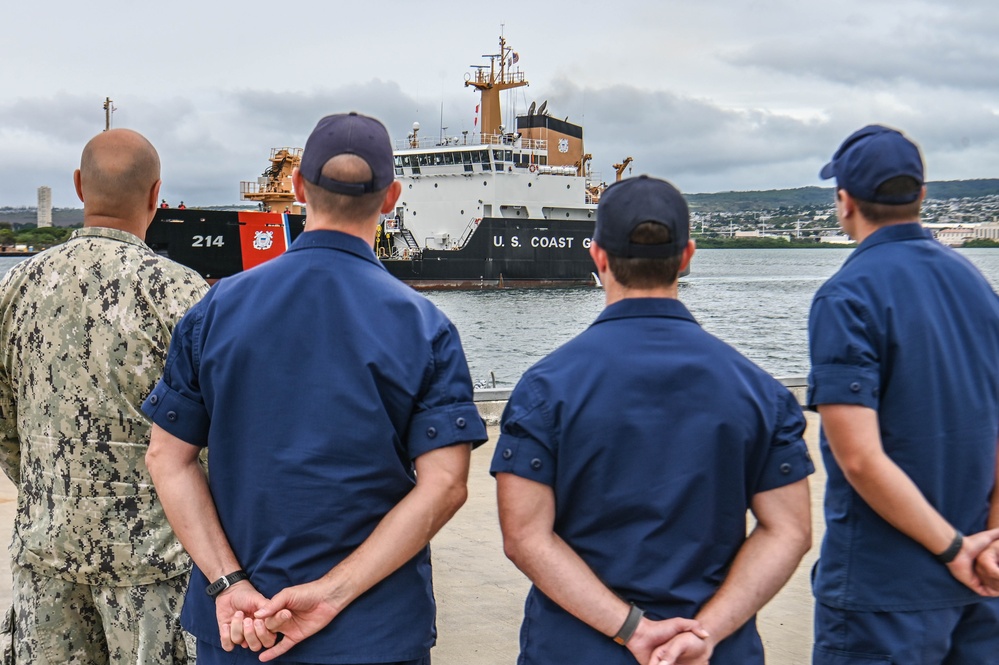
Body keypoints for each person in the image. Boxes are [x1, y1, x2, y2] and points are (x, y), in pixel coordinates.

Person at [142, 112, 488, 665]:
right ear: (392, 196)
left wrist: (229, 583)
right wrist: (336, 592)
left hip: (241, 630)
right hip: (374, 631)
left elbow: (167, 457)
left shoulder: (217, 309)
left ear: (299, 186)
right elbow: (445, 486)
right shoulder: (425, 327)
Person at [492, 175, 814, 665]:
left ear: (597, 256)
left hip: (577, 650)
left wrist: (632, 629)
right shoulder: (760, 393)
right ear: (686, 256)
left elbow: (524, 538)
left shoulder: (545, 389)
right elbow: (789, 529)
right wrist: (705, 633)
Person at [0, 128, 209, 663]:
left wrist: (48, 488)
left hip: (46, 549)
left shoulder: (15, 288)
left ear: (77, 186)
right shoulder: (184, 295)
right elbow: (216, 432)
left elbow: (4, 423)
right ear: (156, 194)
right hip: (152, 562)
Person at [808, 124, 999, 663]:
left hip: (883, 592)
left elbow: (861, 459)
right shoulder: (977, 287)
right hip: (980, 585)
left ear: (845, 201)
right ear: (921, 193)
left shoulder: (846, 296)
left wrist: (952, 549)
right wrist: (989, 542)